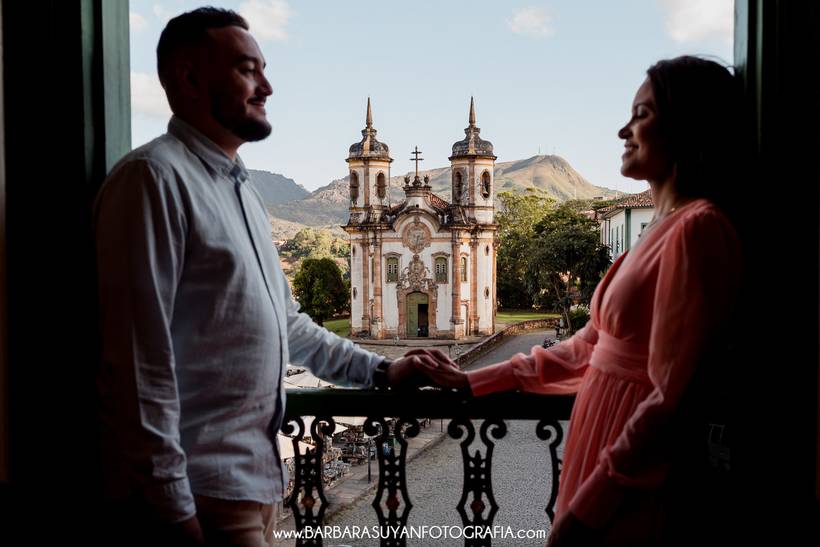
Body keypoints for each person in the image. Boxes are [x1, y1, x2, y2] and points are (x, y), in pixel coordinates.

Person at [94, 8, 449, 546]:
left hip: (256, 488)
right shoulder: (153, 182)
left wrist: (382, 371)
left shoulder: (241, 192)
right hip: (201, 494)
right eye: (247, 70)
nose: (267, 86)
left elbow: (290, 326)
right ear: (189, 78)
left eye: (263, 69)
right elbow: (137, 366)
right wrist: (169, 507)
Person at [418, 56, 744, 546]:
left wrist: (593, 504)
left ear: (686, 126)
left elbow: (674, 397)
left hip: (630, 473)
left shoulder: (698, 229)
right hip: (601, 445)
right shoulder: (659, 231)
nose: (623, 131)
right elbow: (584, 350)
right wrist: (472, 379)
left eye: (642, 114)